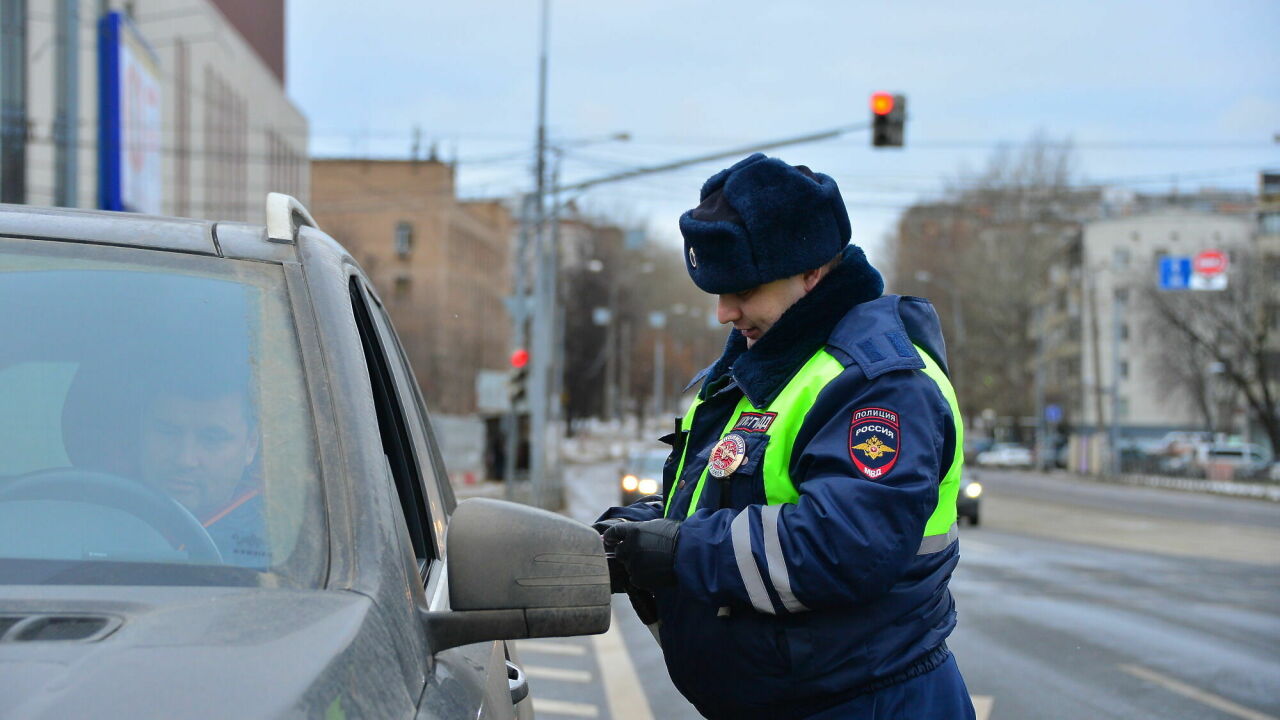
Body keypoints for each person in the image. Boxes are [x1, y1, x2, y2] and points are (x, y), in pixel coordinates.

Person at [595, 153, 976, 719]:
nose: (725, 312)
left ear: (813, 272)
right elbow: (734, 495)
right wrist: (645, 530)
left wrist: (678, 552)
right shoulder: (764, 366)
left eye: (742, 289)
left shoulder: (878, 383)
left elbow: (846, 546)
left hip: (868, 704)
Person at [136, 377, 268, 567]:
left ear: (251, 445)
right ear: (141, 431)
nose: (185, 460)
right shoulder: (90, 510)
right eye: (167, 432)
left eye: (212, 438)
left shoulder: (278, 545)